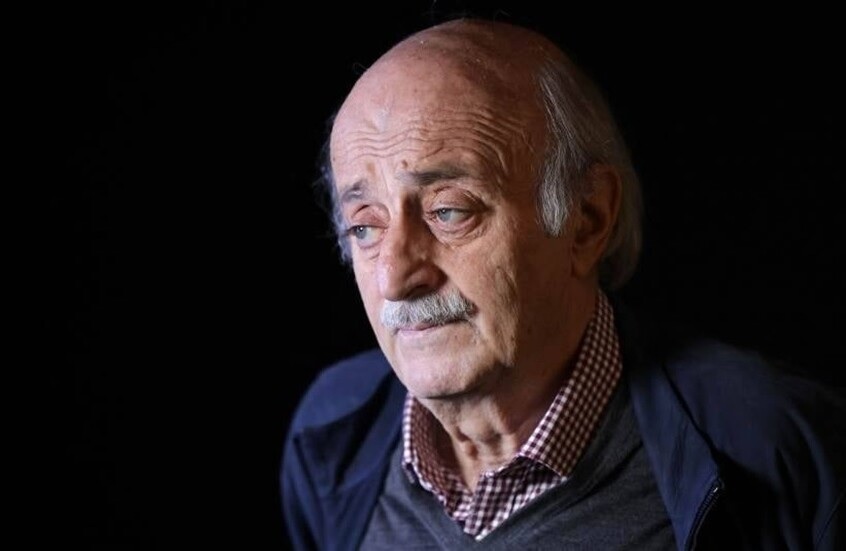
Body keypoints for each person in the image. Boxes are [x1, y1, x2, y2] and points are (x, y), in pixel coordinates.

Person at [280, 17, 845, 550]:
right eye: (364, 226)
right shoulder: (330, 434)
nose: (395, 276)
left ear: (587, 219)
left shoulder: (785, 452)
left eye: (449, 211)